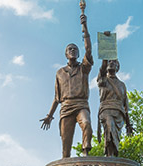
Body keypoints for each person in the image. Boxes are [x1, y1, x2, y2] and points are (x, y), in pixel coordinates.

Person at [40, 11, 94, 158]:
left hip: (81, 104)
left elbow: (88, 49)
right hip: (66, 107)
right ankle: (66, 164)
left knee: (87, 124)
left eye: (75, 49)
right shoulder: (60, 73)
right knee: (66, 143)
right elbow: (57, 97)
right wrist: (49, 116)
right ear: (66, 54)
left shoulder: (84, 68)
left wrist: (85, 27)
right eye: (70, 49)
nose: (73, 50)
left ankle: (85, 153)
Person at [97, 59, 133, 157]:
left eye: (114, 62)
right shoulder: (103, 79)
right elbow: (102, 69)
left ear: (117, 67)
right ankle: (109, 156)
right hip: (106, 109)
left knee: (116, 136)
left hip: (119, 113)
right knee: (109, 128)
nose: (111, 63)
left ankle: (113, 156)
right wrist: (106, 54)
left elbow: (125, 106)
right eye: (109, 62)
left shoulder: (122, 85)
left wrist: (128, 125)